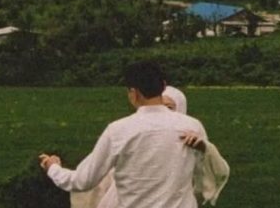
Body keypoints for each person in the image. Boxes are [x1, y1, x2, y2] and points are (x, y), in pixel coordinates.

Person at [39, 61, 208, 208]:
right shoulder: (192, 126)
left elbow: (82, 180)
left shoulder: (118, 130)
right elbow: (204, 178)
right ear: (163, 86)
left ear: (133, 93)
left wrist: (53, 168)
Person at [71, 85, 229, 208]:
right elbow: (89, 174)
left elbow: (218, 172)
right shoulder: (129, 134)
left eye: (170, 107)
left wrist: (203, 148)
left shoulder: (192, 135)